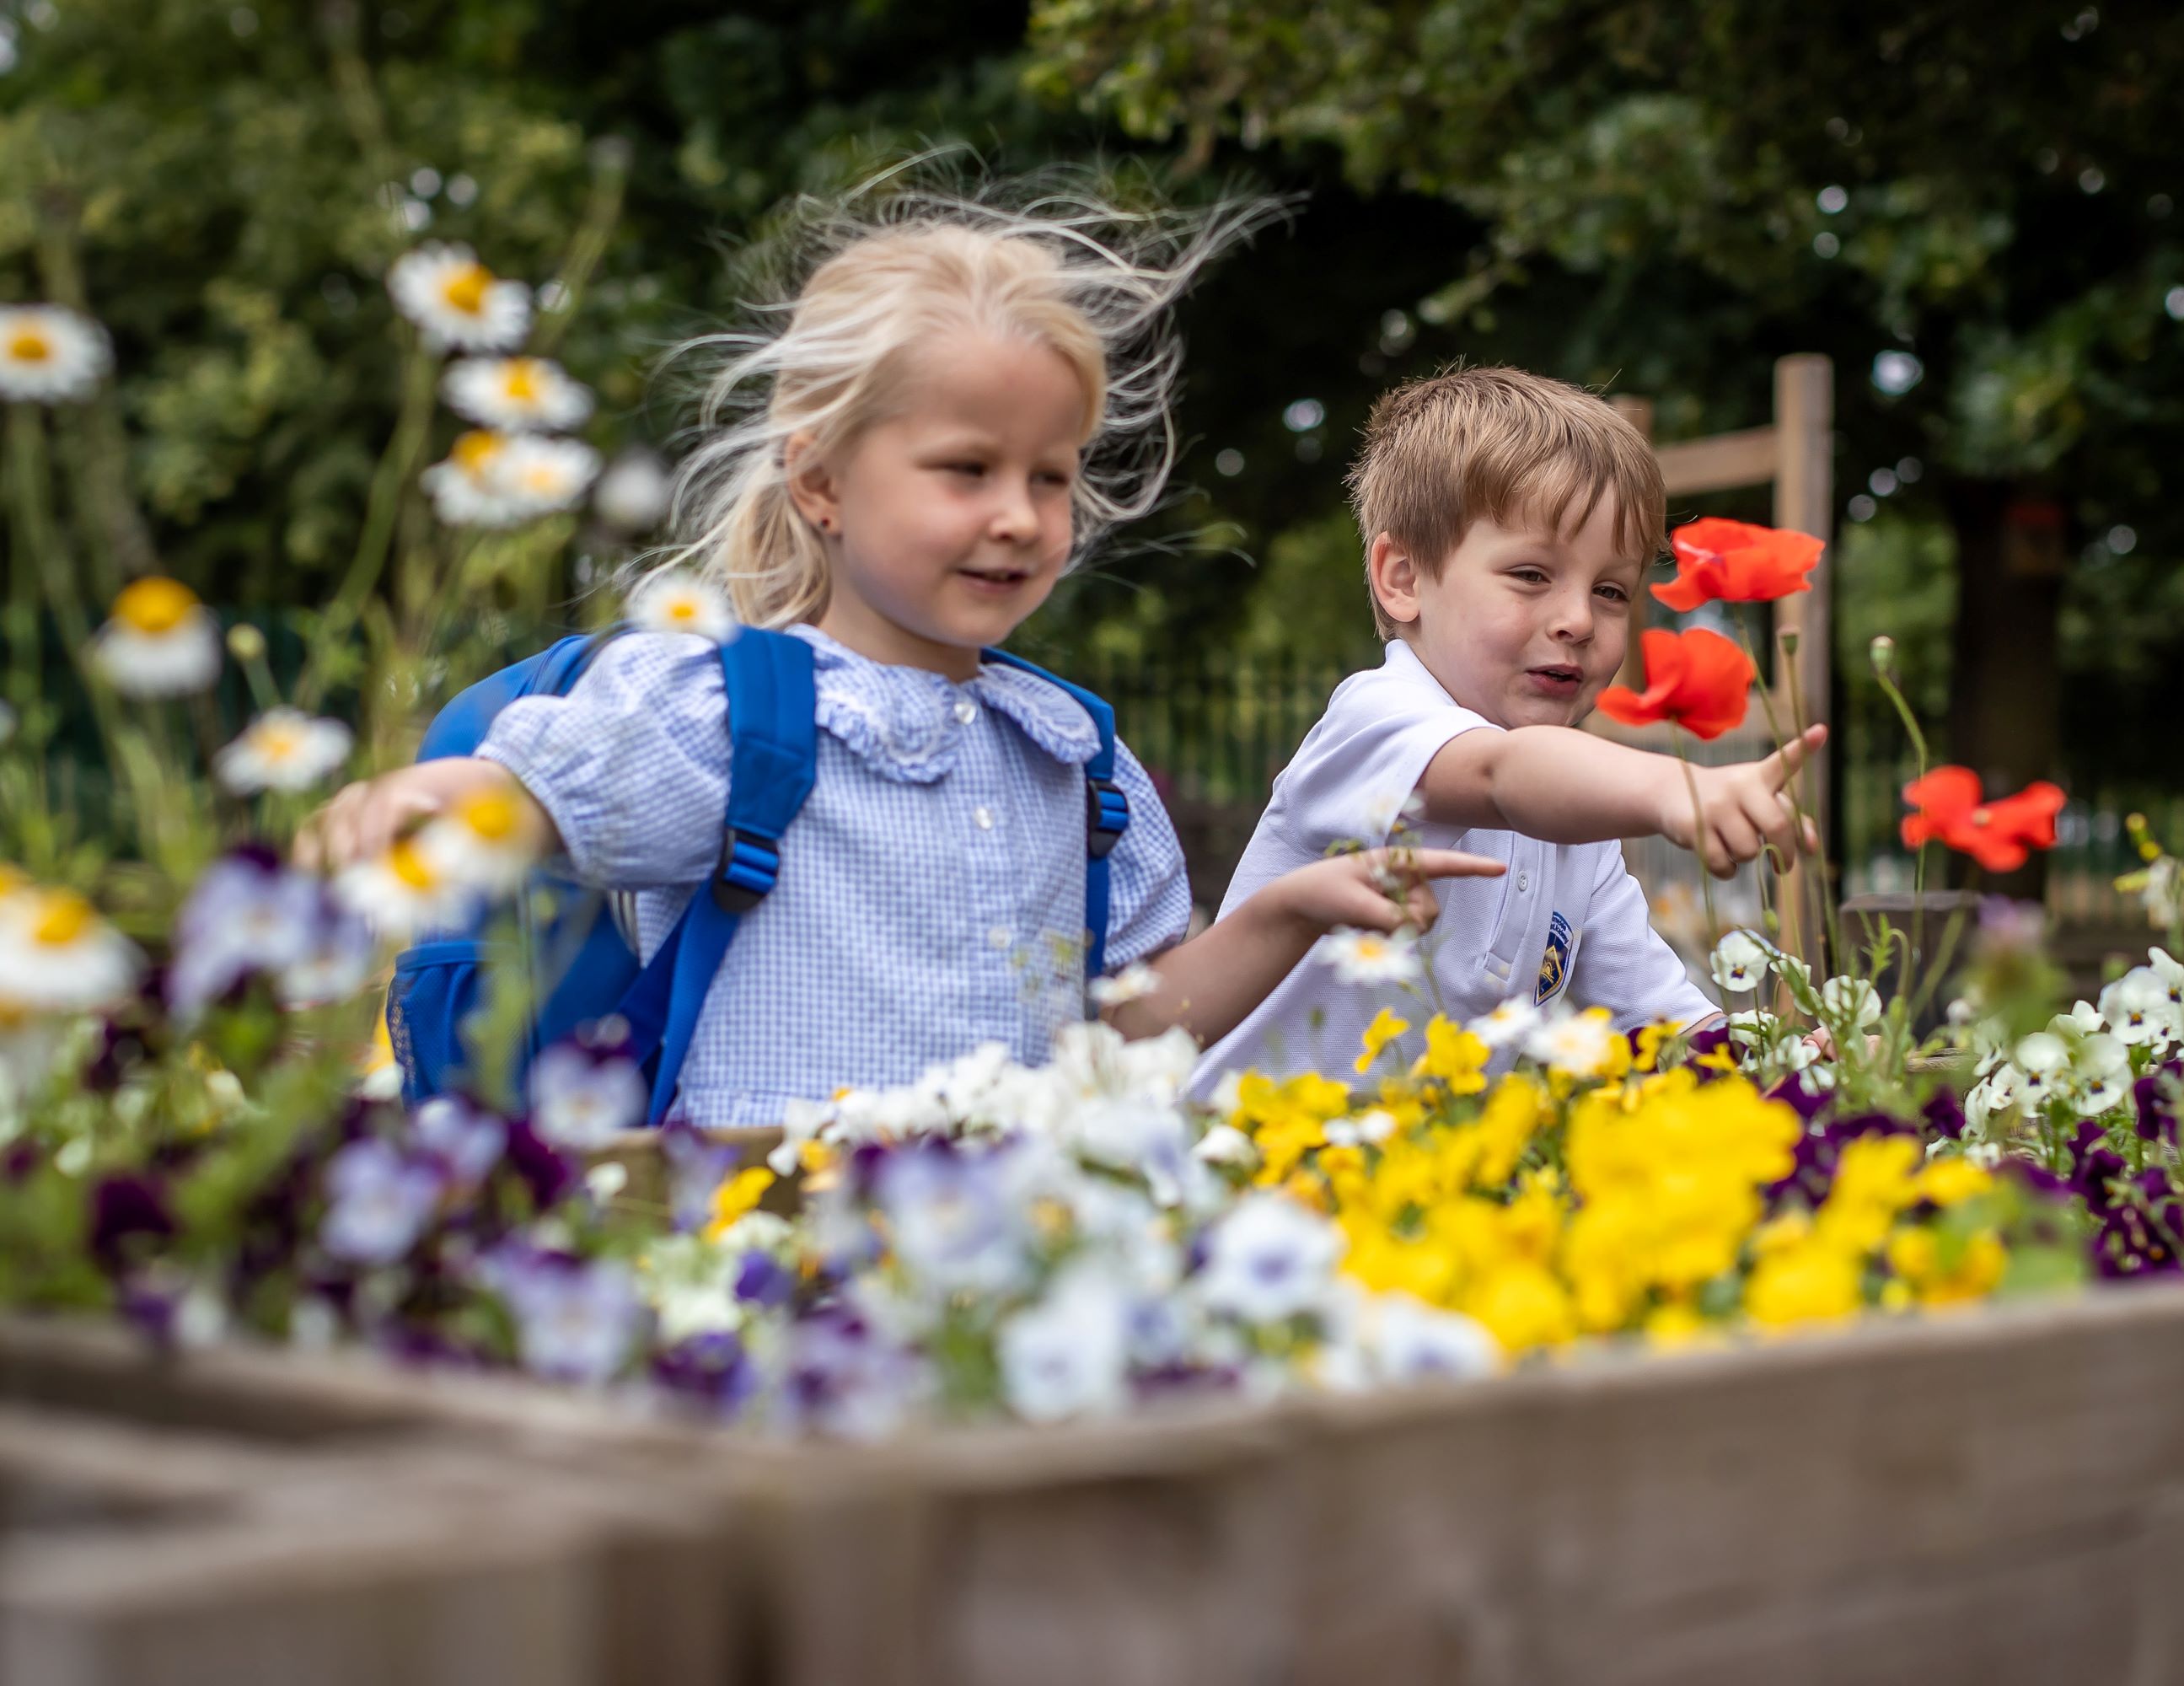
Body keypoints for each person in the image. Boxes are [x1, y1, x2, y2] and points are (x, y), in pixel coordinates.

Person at [301, 183, 1498, 1125]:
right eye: (966, 470)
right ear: (820, 479)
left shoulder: (1075, 761)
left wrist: (1286, 913)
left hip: (1001, 1274)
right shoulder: (729, 711)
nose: (1020, 515)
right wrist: (428, 797)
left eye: (1050, 476)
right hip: (773, 1264)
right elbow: (549, 792)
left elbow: (1125, 1030)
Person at [1190, 364, 1823, 1091]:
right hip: (1236, 1163)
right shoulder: (1375, 720)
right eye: (1530, 575)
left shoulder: (1576, 835)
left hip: (1412, 1186)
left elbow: (1656, 1020)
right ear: (1402, 579)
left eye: (1611, 591)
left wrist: (1780, 1062)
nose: (1580, 620)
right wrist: (1673, 788)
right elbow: (1502, 775)